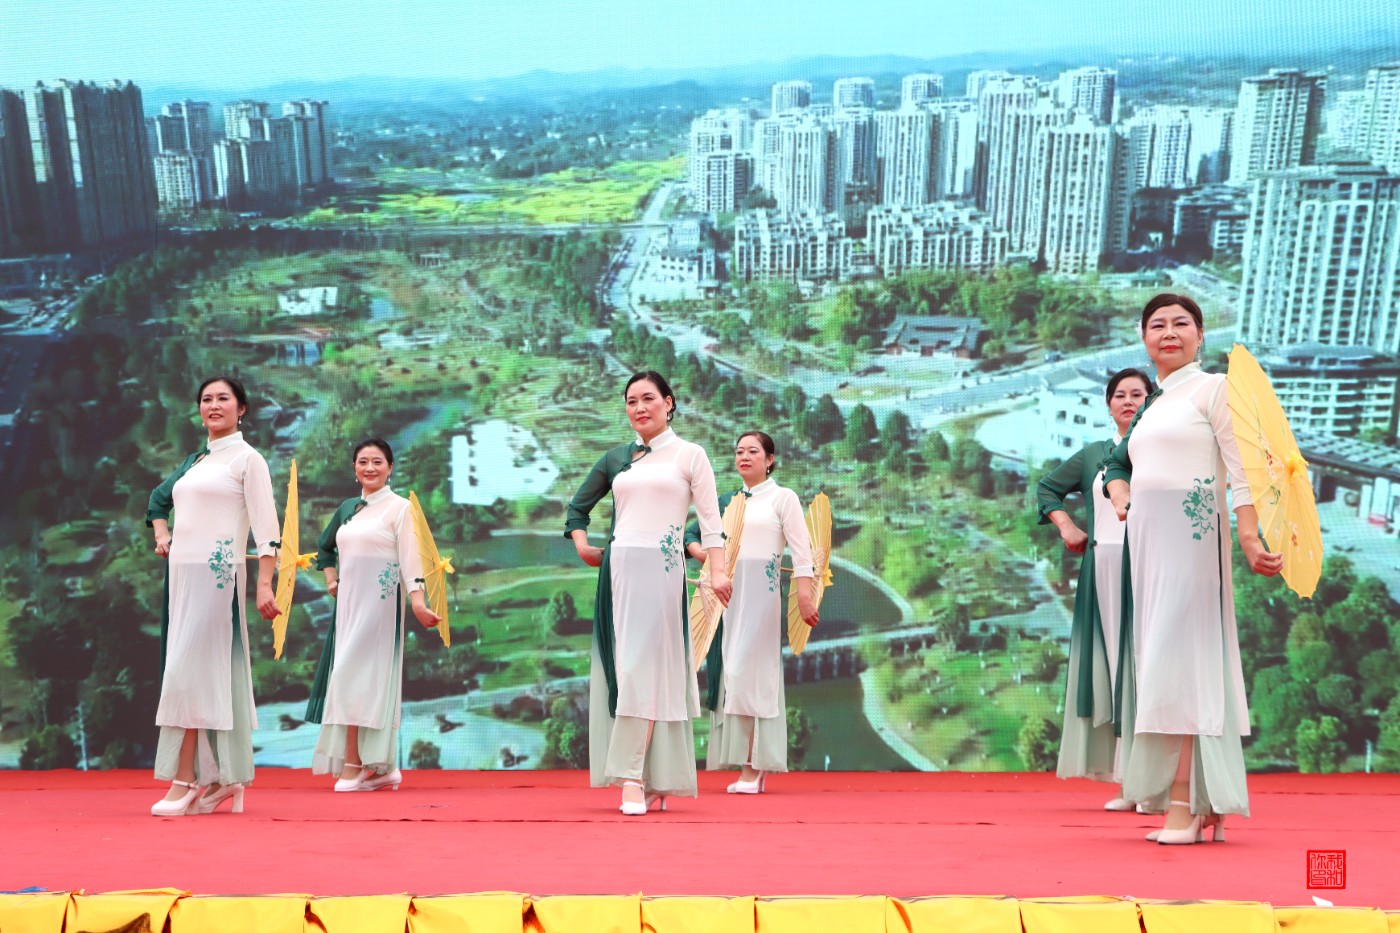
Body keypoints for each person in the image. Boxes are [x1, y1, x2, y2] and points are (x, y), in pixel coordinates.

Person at [1103, 294, 1283, 845]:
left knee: (1184, 663)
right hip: (1148, 546)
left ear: (1200, 335)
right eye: (1157, 324)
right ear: (1144, 339)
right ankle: (1204, 801)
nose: (1169, 332)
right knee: (1160, 663)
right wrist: (1119, 491)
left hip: (1193, 540)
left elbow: (1244, 468)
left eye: (1182, 323)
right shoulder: (1153, 404)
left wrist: (1248, 535)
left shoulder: (1215, 389)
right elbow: (1119, 464)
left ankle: (1184, 802)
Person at [565, 371, 730, 815]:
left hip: (662, 573)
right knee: (628, 669)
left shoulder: (690, 455)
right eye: (631, 401)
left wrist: (717, 572)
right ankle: (651, 777)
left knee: (648, 669)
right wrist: (583, 547)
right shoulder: (617, 458)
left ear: (669, 403)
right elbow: (578, 509)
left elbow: (711, 523)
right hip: (618, 574)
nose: (639, 408)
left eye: (648, 398)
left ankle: (633, 777)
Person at [146, 376, 280, 817]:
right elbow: (158, 500)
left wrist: (264, 585)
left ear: (242, 409)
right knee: (196, 672)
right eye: (206, 399)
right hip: (181, 578)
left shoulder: (248, 460)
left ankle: (186, 780)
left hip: (218, 576)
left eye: (224, 398)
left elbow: (267, 530)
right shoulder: (196, 461)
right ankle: (225, 778)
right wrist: (162, 533)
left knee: (188, 673)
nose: (214, 405)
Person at [1035, 369, 1154, 809]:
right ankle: (1128, 782)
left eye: (1138, 394)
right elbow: (1048, 488)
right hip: (1102, 570)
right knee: (1114, 673)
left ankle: (1156, 784)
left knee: (1146, 671)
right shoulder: (1093, 455)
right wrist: (1067, 526)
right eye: (1120, 395)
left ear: (1152, 402)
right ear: (1108, 405)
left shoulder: (1160, 454)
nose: (1128, 401)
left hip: (1149, 570)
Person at [304, 438, 441, 792]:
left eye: (377, 461)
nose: (369, 467)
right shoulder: (348, 509)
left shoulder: (400, 509)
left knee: (359, 679)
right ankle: (384, 769)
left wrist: (418, 601)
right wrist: (331, 578)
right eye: (363, 461)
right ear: (354, 469)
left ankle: (355, 764)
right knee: (352, 678)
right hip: (348, 608)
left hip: (380, 608)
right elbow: (324, 546)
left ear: (390, 468)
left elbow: (411, 559)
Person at [686, 431, 819, 793]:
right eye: (739, 451)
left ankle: (752, 766)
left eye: (753, 451)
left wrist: (803, 596)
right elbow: (703, 539)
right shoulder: (730, 504)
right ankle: (752, 765)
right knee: (735, 673)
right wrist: (705, 558)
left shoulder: (783, 498)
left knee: (750, 673)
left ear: (770, 459)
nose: (744, 456)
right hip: (731, 597)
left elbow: (801, 552)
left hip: (762, 596)